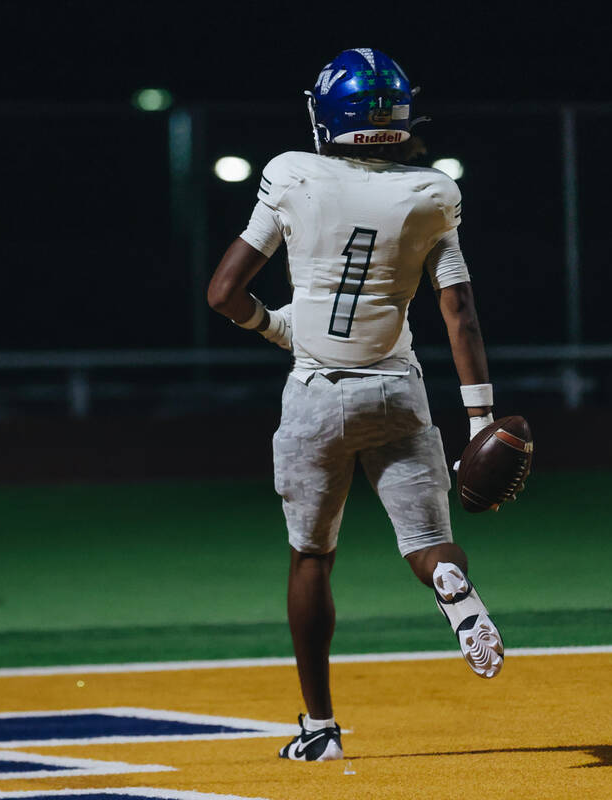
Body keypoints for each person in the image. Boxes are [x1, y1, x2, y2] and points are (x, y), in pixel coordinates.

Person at [207, 48, 504, 762]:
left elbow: (222, 293)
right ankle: (447, 582)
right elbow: (458, 312)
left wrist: (276, 327)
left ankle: (319, 728)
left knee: (311, 557)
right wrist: (482, 421)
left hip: (315, 394)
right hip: (397, 390)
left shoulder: (292, 174)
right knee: (426, 542)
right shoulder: (430, 193)